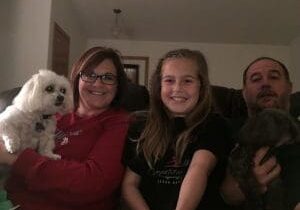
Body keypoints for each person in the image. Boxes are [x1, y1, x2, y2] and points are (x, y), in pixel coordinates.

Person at [0, 46, 130, 210]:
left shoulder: (118, 123)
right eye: (90, 75)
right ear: (77, 78)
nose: (98, 83)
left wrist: (16, 159)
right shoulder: (51, 113)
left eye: (108, 77)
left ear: (118, 85)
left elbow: (91, 184)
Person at [122, 49, 232, 210]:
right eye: (169, 80)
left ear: (201, 86)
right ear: (159, 86)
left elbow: (199, 169)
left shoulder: (214, 124)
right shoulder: (141, 125)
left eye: (187, 81)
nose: (177, 88)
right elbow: (130, 185)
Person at [221, 57, 300, 210]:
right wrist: (249, 183)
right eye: (256, 79)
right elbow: (225, 194)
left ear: (289, 87)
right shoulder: (226, 130)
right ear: (244, 93)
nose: (265, 84)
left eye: (274, 77)